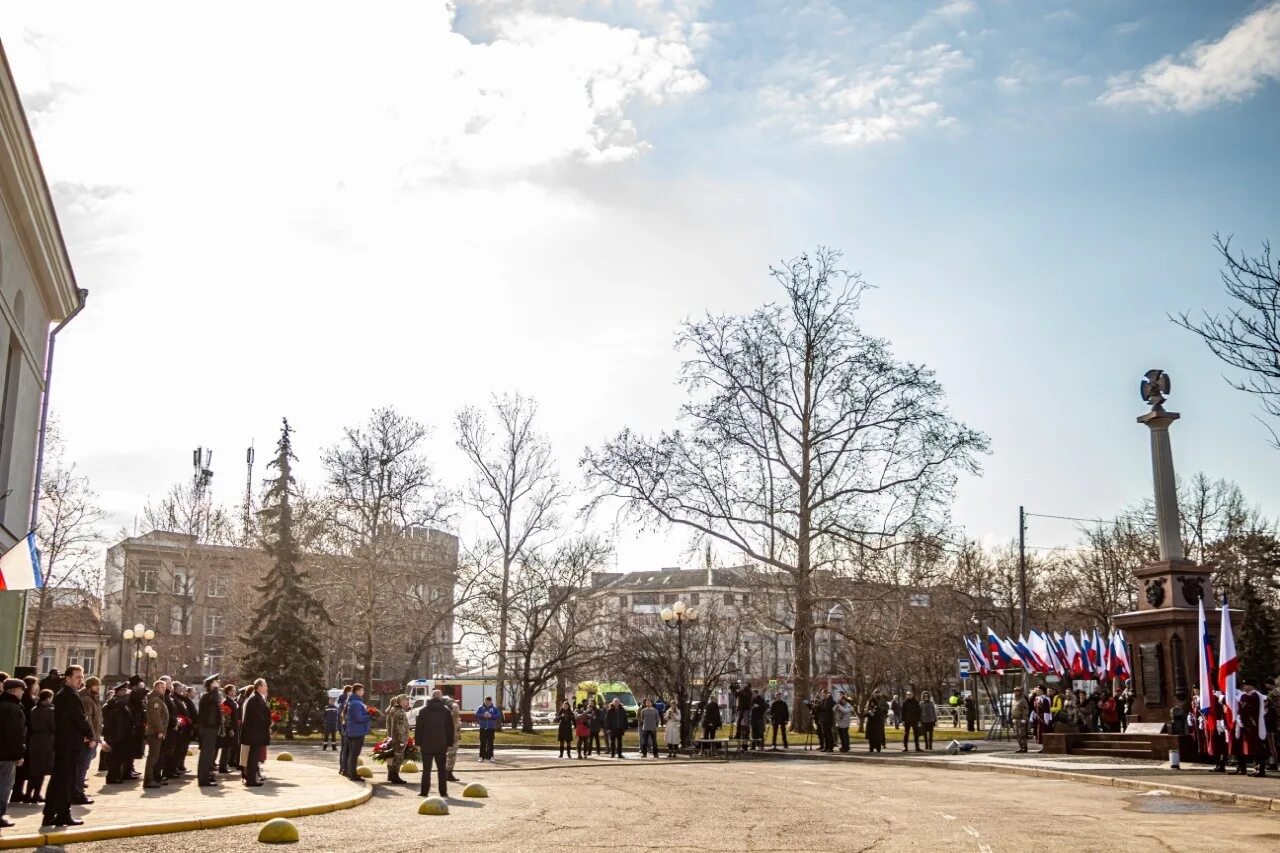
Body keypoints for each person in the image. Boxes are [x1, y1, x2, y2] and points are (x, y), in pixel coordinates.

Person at [43, 665, 93, 830]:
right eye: (77, 677)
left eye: (82, 676)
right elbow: (79, 718)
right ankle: (63, 814)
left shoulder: (63, 694)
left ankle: (49, 813)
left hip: (63, 742)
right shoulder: (70, 695)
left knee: (58, 779)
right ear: (68, 678)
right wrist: (89, 733)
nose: (81, 680)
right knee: (66, 780)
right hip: (68, 743)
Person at [414, 690, 453, 798]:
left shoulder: (423, 711)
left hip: (426, 745)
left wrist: (418, 743)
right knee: (442, 770)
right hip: (441, 744)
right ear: (441, 698)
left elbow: (419, 729)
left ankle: (424, 792)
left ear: (431, 697)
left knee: (426, 770)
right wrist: (449, 743)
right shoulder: (446, 711)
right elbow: (449, 729)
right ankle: (443, 792)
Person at [1, 678, 27, 832]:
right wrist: (19, 755)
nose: (23, 692)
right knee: (4, 786)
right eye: (21, 689)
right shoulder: (14, 708)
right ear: (14, 690)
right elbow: (16, 734)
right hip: (7, 755)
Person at [75, 676, 105, 804]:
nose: (98, 687)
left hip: (92, 738)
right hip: (87, 740)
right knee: (82, 767)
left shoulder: (93, 699)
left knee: (83, 767)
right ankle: (77, 793)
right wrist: (91, 738)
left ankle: (77, 791)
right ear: (89, 686)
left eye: (99, 685)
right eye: (95, 685)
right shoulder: (86, 699)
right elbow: (87, 721)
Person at [24, 689, 54, 804]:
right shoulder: (50, 710)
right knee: (42, 768)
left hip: (34, 739)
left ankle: (28, 794)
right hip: (46, 740)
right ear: (48, 698)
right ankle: (36, 794)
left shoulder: (34, 709)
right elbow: (53, 726)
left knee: (34, 768)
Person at [240, 679, 271, 787]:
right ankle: (251, 780)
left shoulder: (257, 698)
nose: (267, 687)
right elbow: (258, 717)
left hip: (256, 733)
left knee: (254, 757)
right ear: (259, 687)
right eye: (265, 685)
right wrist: (268, 722)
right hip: (255, 734)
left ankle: (251, 779)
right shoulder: (255, 699)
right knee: (253, 757)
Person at [1235, 679, 1268, 777]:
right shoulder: (1249, 696)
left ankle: (1260, 769)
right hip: (1249, 725)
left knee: (1257, 748)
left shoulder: (1254, 696)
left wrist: (1240, 697)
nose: (1244, 687)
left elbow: (1248, 708)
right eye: (1244, 685)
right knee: (1253, 749)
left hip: (1254, 725)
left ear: (1252, 686)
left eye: (1246, 685)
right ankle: (1256, 768)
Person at [340, 683, 371, 780]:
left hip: (353, 731)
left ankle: (350, 772)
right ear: (357, 691)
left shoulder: (353, 702)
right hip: (357, 732)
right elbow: (358, 718)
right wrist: (370, 715)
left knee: (352, 753)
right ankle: (353, 774)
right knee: (354, 754)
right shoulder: (356, 703)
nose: (363, 692)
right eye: (361, 690)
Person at [197, 674, 222, 786]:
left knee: (208, 755)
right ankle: (203, 779)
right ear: (211, 684)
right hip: (208, 729)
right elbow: (216, 699)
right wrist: (216, 689)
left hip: (210, 728)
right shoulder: (208, 696)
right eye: (216, 682)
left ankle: (206, 776)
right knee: (206, 755)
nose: (218, 684)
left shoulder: (209, 696)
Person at [143, 680, 169, 789]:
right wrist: (160, 731)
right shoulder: (155, 700)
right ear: (157, 687)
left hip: (155, 732)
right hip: (154, 732)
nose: (164, 689)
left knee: (155, 756)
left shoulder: (158, 699)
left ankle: (151, 778)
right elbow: (156, 717)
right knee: (153, 757)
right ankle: (148, 780)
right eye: (163, 687)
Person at [102, 683, 130, 784]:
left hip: (119, 734)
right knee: (114, 757)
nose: (125, 692)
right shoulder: (114, 702)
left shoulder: (119, 702)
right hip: (114, 734)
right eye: (123, 691)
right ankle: (112, 777)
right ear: (118, 692)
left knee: (118, 757)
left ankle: (116, 775)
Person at [384, 695, 410, 785]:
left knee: (392, 757)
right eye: (406, 700)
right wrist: (402, 740)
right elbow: (400, 728)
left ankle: (391, 775)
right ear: (402, 701)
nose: (407, 702)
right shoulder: (400, 712)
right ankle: (395, 776)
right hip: (398, 739)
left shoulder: (393, 710)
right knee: (398, 757)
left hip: (392, 738)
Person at [218, 684, 239, 774]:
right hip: (229, 729)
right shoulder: (226, 701)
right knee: (226, 748)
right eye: (233, 690)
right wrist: (230, 729)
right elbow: (227, 717)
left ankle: (224, 765)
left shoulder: (232, 701)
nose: (235, 691)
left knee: (228, 748)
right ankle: (223, 766)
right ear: (229, 691)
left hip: (233, 727)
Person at [475, 696, 500, 763]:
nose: (488, 703)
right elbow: (476, 714)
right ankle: (481, 757)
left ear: (491, 701)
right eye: (486, 702)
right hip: (483, 728)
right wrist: (483, 715)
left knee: (490, 743)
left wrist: (491, 716)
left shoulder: (494, 708)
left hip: (491, 728)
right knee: (482, 743)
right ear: (484, 701)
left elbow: (498, 715)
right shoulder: (480, 708)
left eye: (489, 702)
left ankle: (491, 756)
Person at [445, 695, 462, 782]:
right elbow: (456, 712)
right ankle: (448, 774)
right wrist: (454, 704)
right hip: (452, 738)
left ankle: (448, 773)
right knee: (451, 756)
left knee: (451, 756)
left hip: (453, 737)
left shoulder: (449, 714)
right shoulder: (452, 713)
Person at [1012, 687, 1029, 753]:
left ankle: (1024, 748)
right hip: (1015, 719)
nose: (1016, 692)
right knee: (1017, 734)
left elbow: (1025, 710)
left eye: (1017, 691)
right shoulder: (1014, 700)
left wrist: (1024, 718)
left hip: (1021, 719)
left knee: (1022, 734)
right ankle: (1020, 747)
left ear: (1020, 692)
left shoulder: (1023, 700)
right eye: (1015, 691)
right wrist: (1012, 718)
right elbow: (1013, 710)